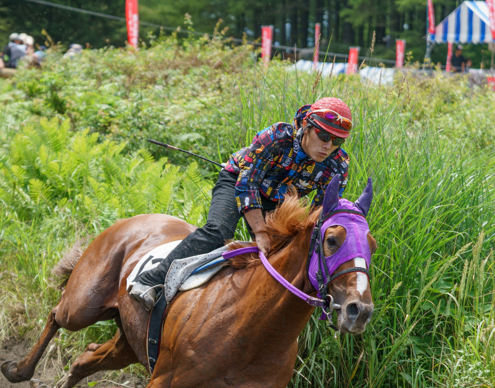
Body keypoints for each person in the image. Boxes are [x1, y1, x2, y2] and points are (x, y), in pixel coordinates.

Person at [128, 98, 353, 310]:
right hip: (238, 180)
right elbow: (248, 183)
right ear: (307, 125)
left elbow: (319, 213)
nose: (329, 146)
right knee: (218, 231)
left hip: (277, 200)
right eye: (324, 136)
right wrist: (260, 231)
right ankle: (150, 280)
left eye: (338, 141)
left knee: (279, 254)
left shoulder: (338, 165)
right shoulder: (276, 137)